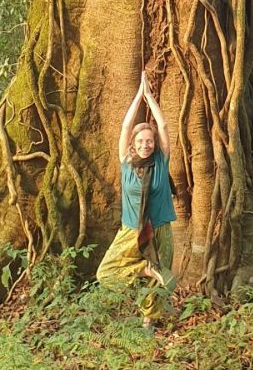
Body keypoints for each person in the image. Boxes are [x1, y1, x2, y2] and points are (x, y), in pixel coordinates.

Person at [96, 72, 177, 328]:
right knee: (105, 272)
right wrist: (137, 97)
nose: (145, 145)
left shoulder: (161, 161)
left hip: (161, 228)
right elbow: (124, 127)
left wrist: (150, 98)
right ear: (133, 144)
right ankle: (144, 268)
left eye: (149, 141)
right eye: (141, 141)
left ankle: (148, 322)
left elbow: (163, 127)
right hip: (131, 230)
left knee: (158, 281)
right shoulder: (126, 163)